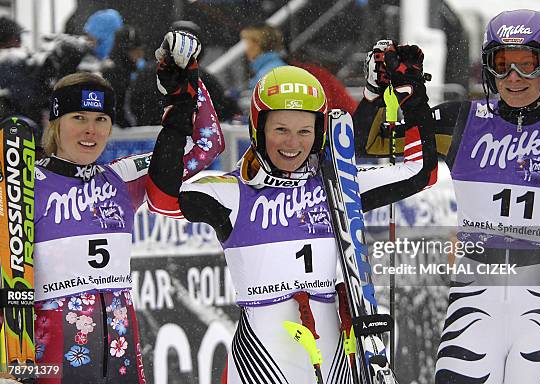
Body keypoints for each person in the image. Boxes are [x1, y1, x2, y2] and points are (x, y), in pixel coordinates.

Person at [146, 61, 437, 382]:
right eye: (280, 130)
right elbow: (162, 198)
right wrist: (180, 107)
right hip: (260, 362)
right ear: (259, 128)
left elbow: (420, 173)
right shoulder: (232, 193)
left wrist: (410, 96)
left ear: (319, 133)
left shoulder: (338, 187)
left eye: (304, 131)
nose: (292, 144)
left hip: (335, 358)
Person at [354, 9, 540, 383]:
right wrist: (375, 93)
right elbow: (369, 143)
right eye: (502, 63)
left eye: (528, 64)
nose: (514, 78)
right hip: (475, 299)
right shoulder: (459, 121)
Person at [33, 28, 222, 383]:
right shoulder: (23, 185)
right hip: (50, 366)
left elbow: (206, 145)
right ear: (55, 123)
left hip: (121, 361)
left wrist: (186, 84)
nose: (91, 130)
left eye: (101, 119)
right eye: (79, 118)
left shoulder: (121, 178)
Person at [240, 24, 287, 91]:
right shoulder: (271, 68)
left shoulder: (270, 73)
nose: (245, 49)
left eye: (246, 43)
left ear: (257, 44)